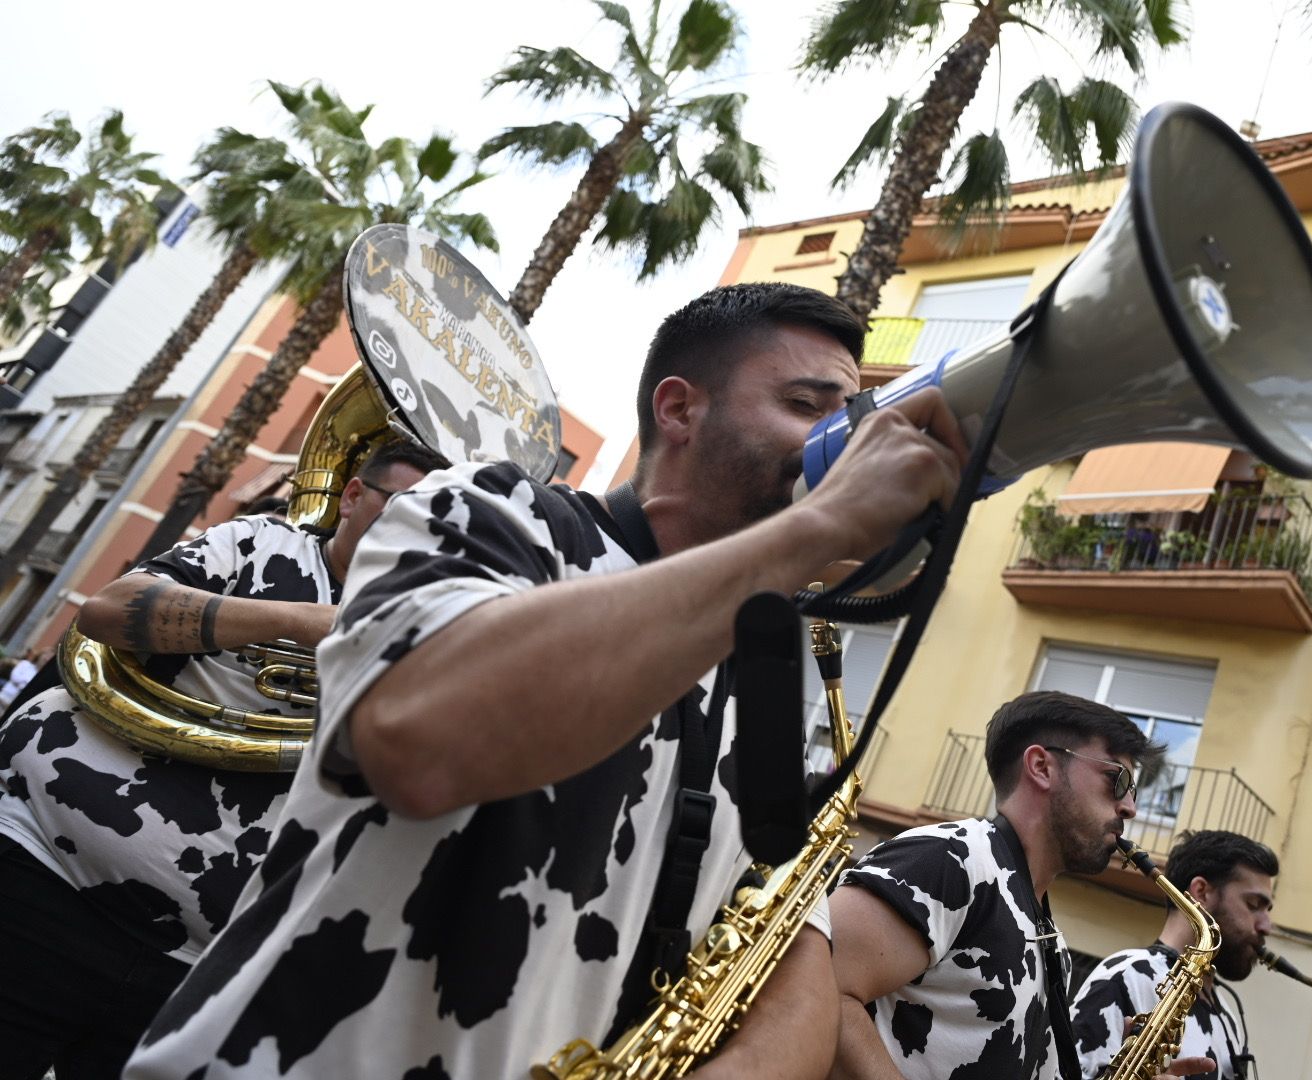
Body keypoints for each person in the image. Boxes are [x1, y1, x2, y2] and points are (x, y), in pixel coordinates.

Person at [124, 282, 971, 1080]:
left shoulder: (770, 674)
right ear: (680, 409)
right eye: (806, 406)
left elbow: (793, 943)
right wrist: (822, 522)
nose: (843, 439)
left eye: (848, 413)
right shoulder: (500, 513)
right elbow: (420, 741)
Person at [0, 439, 442, 1080]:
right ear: (352, 496)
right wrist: (303, 621)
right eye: (401, 508)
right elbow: (107, 610)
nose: (418, 534)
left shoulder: (432, 632)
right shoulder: (261, 543)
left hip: (199, 966)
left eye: (437, 525)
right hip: (47, 879)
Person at [825, 690, 1167, 1080]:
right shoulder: (951, 858)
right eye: (1117, 780)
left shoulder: (1052, 944)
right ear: (1041, 767)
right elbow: (819, 984)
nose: (1130, 808)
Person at [1072, 830, 1279, 1080]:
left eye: (1267, 910)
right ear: (1201, 892)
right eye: (1253, 905)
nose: (1266, 926)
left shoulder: (1226, 1016)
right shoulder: (1125, 976)